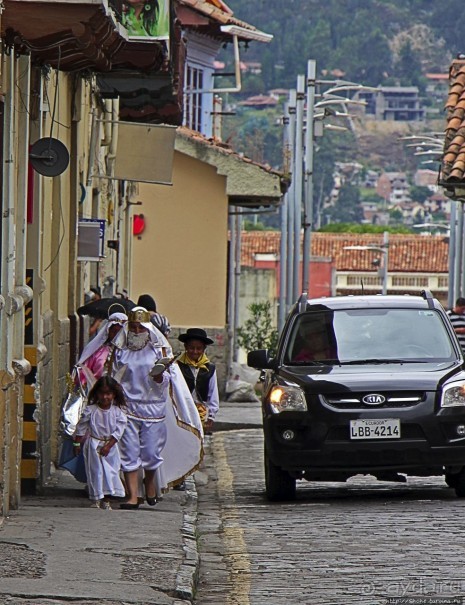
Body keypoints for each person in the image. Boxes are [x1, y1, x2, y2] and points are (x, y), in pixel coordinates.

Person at [109, 307, 203, 509]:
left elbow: (170, 379)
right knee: (129, 452)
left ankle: (150, 482)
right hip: (127, 407)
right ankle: (132, 496)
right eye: (132, 327)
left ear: (147, 329)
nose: (135, 331)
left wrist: (160, 376)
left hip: (153, 408)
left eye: (139, 327)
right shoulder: (121, 350)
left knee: (151, 453)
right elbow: (114, 376)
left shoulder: (158, 349)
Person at [73, 376, 128, 510]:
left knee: (111, 472)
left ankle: (107, 499)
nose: (105, 397)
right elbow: (81, 427)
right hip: (93, 445)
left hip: (110, 447)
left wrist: (108, 446)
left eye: (108, 394)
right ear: (96, 394)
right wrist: (77, 444)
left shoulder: (118, 413)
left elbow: (118, 432)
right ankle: (96, 498)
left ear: (114, 395)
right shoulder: (91, 410)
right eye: (102, 393)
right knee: (95, 472)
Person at [177, 328, 219, 434]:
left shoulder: (210, 368)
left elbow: (213, 392)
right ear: (186, 347)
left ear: (204, 349)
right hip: (182, 410)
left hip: (201, 412)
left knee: (198, 440)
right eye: (191, 348)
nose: (195, 351)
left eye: (199, 348)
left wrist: (211, 415)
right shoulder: (177, 366)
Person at [76, 312, 127, 390]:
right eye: (114, 331)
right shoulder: (97, 351)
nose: (117, 335)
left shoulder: (129, 353)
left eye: (120, 332)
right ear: (108, 331)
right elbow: (84, 371)